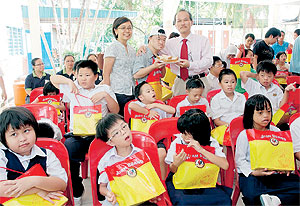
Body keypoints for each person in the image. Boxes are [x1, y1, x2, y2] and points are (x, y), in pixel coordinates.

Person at [50, 60, 119, 205]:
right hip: (77, 135)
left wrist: (106, 96)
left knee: (104, 158)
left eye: (87, 75)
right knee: (68, 152)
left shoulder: (104, 89)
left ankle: (101, 193)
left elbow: (116, 110)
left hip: (99, 135)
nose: (83, 78)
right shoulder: (73, 88)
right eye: (80, 74)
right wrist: (69, 82)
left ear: (95, 76)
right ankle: (77, 190)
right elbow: (53, 79)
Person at [235, 94, 300, 205]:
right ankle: (272, 198)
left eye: (268, 111)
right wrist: (254, 172)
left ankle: (275, 200)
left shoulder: (276, 130)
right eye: (260, 113)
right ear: (251, 115)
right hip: (253, 175)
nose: (266, 116)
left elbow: (283, 153)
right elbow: (240, 161)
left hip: (274, 174)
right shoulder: (244, 135)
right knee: (252, 195)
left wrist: (285, 167)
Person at [0, 107, 67, 203]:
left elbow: (61, 184)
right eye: (14, 134)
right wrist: (38, 190)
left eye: (26, 131)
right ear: (4, 139)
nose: (22, 138)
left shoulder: (47, 155)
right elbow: (2, 189)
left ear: (35, 131)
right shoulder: (2, 156)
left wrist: (33, 181)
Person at [165, 109, 231, 205]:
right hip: (182, 184)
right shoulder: (178, 141)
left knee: (224, 200)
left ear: (199, 133)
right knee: (184, 202)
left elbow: (225, 165)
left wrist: (202, 150)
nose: (183, 136)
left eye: (187, 133)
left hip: (204, 183)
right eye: (183, 132)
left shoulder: (211, 142)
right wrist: (176, 164)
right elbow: (172, 170)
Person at [96, 113, 161, 206]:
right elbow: (102, 187)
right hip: (118, 200)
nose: (123, 132)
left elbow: (149, 180)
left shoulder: (141, 154)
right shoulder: (106, 161)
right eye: (116, 133)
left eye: (124, 127)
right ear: (110, 142)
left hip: (140, 198)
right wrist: (108, 194)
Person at [160, 9, 213, 97]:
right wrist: (144, 47)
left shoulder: (202, 40)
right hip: (180, 83)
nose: (182, 23)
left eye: (185, 20)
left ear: (191, 22)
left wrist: (190, 65)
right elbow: (156, 51)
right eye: (179, 21)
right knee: (179, 108)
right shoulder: (170, 43)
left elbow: (208, 61)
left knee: (201, 109)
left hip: (199, 81)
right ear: (175, 25)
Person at [129, 81, 175, 179]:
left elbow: (173, 110)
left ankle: (162, 180)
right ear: (141, 97)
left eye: (152, 90)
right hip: (137, 141)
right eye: (148, 91)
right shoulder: (137, 104)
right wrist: (147, 112)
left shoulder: (159, 105)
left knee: (162, 153)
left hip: (156, 140)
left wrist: (156, 105)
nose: (152, 92)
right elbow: (131, 106)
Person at [102, 17, 136, 116]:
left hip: (131, 91)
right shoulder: (112, 48)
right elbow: (106, 73)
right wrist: (108, 94)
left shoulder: (132, 49)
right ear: (115, 30)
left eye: (129, 28)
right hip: (116, 92)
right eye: (123, 28)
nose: (127, 31)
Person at [133, 26, 167, 100]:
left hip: (157, 94)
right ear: (150, 38)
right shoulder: (143, 53)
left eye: (164, 40)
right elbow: (136, 74)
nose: (161, 42)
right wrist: (154, 66)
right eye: (158, 39)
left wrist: (163, 65)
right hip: (144, 99)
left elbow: (162, 75)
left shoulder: (159, 55)